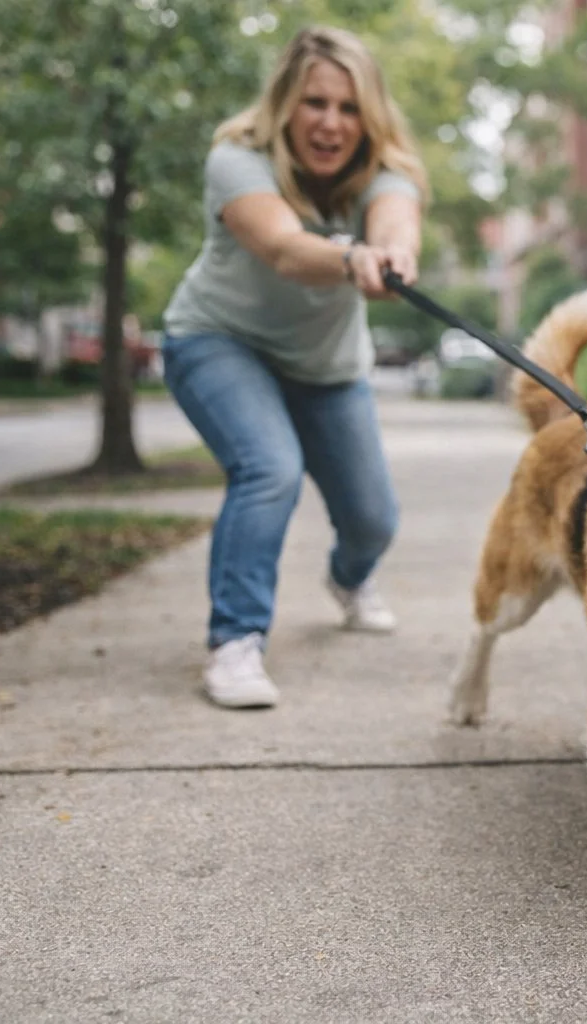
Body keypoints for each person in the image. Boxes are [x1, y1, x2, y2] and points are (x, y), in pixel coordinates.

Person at [160, 26, 427, 709]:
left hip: (327, 368)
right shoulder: (237, 160)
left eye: (347, 107)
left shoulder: (386, 169)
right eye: (315, 103)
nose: (330, 123)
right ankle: (235, 643)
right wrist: (349, 259)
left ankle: (349, 578)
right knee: (268, 467)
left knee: (372, 522)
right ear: (285, 105)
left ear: (368, 115)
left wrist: (392, 254)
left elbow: (395, 220)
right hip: (219, 342)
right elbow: (281, 247)